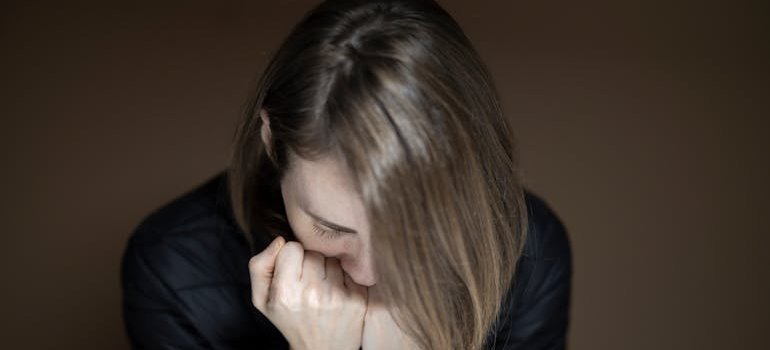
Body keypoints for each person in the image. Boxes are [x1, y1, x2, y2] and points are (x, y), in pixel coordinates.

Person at [120, 0, 572, 349]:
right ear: (272, 141)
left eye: (409, 229)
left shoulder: (528, 253)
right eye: (330, 228)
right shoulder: (173, 267)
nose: (370, 273)